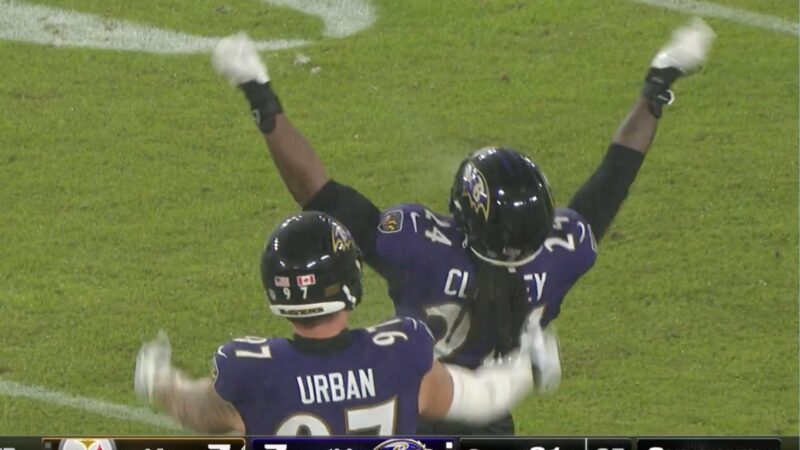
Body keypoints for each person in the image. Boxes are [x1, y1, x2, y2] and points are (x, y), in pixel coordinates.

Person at [210, 18, 715, 434]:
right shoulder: (561, 257)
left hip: (407, 409)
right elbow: (612, 180)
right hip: (489, 419)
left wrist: (262, 97)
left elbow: (319, 194)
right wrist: (656, 89)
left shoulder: (420, 249)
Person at [134, 211, 551, 435]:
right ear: (350, 281)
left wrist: (160, 379)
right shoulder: (401, 353)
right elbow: (478, 397)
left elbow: (198, 410)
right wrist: (529, 368)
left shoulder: (254, 372)